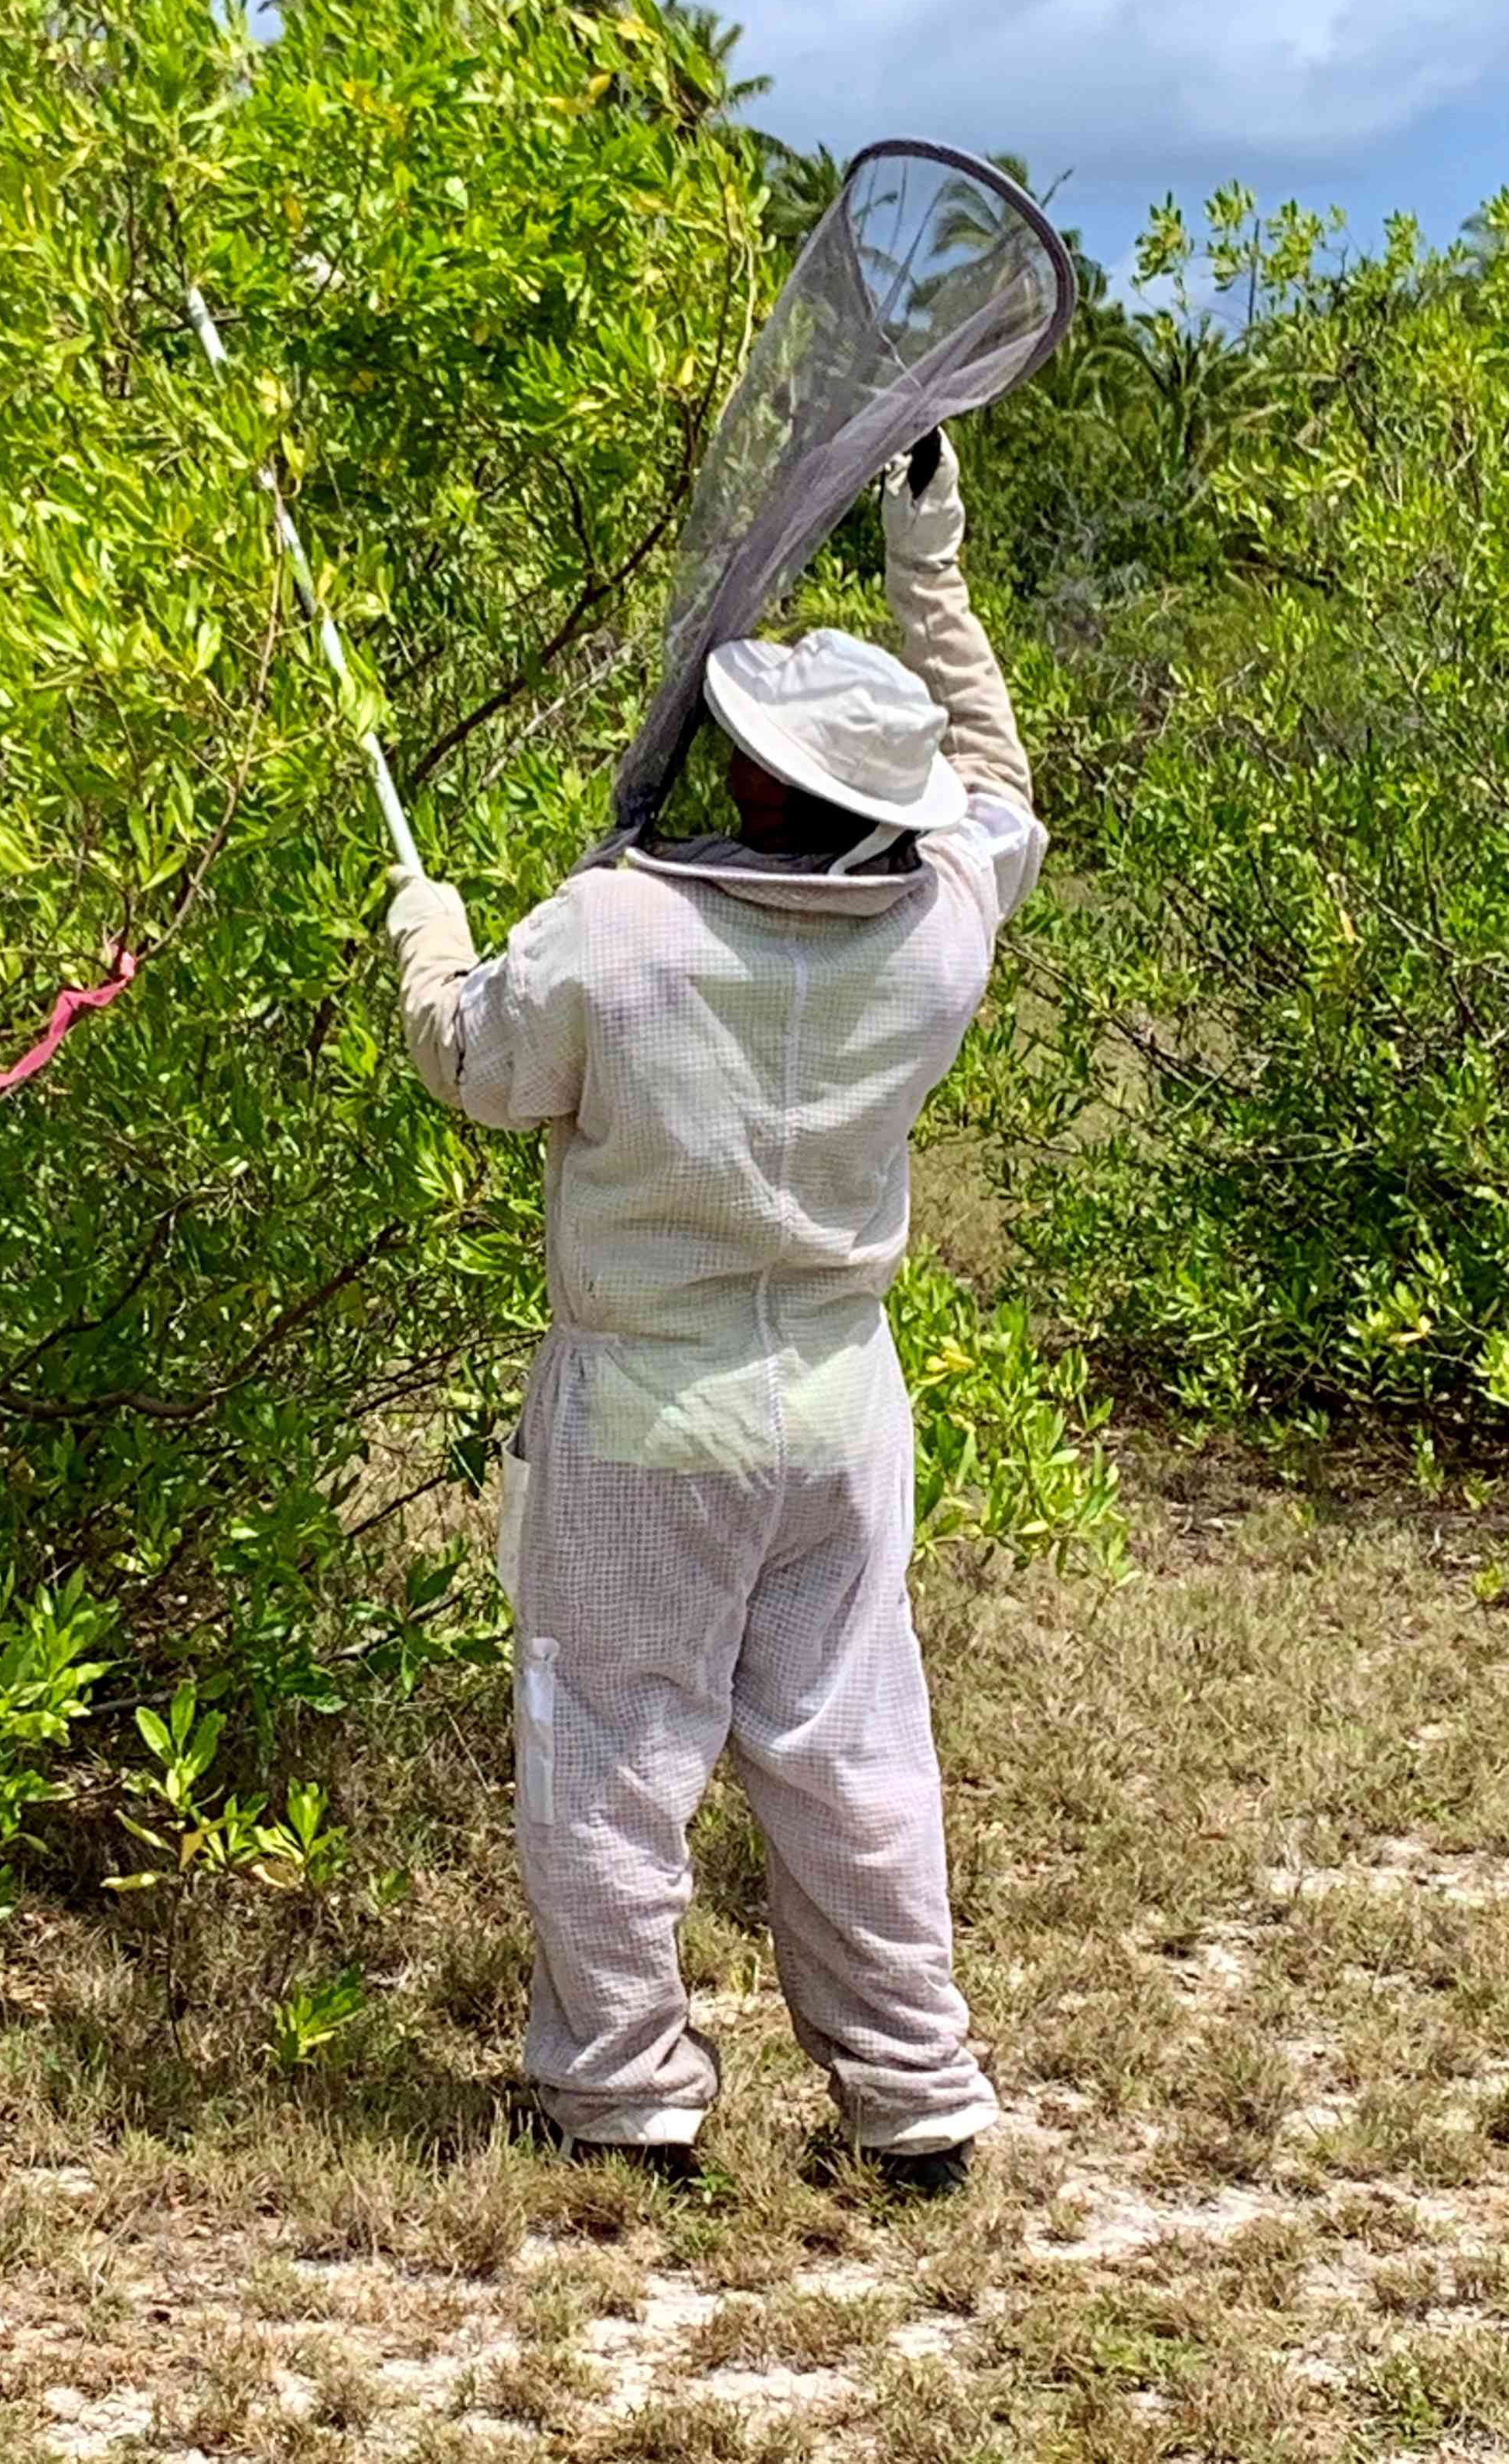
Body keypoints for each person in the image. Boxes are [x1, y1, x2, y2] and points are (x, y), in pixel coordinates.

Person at [385, 430, 1045, 2196]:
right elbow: (996, 779)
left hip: (645, 1421)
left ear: (748, 785)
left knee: (609, 1747)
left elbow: (471, 1060)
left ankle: (623, 2098)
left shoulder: (611, 930)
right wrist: (936, 569)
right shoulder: (945, 927)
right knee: (853, 1755)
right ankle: (914, 2103)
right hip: (838, 1411)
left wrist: (427, 930)